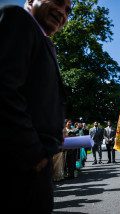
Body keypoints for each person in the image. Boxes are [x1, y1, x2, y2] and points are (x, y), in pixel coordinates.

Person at [0, 0, 71, 212]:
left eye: (68, 10)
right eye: (58, 2)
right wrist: (33, 153)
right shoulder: (17, 19)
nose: (62, 13)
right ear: (31, 0)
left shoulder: (42, 40)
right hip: (18, 165)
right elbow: (4, 88)